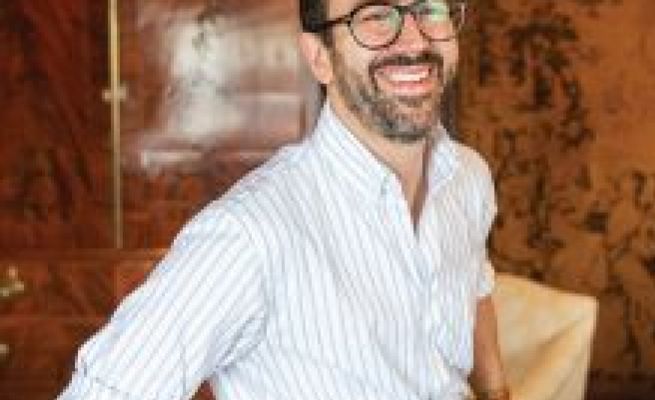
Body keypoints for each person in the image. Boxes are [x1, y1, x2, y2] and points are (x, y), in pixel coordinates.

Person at [58, 0, 509, 398]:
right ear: (319, 58)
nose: (415, 39)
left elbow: (474, 286)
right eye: (374, 15)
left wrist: (495, 391)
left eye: (430, 9)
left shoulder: (467, 177)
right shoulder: (247, 235)